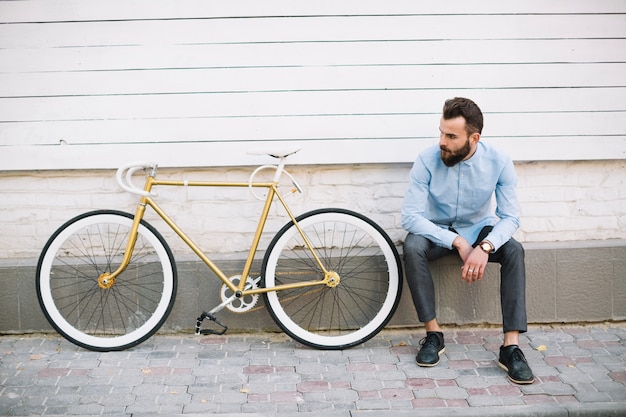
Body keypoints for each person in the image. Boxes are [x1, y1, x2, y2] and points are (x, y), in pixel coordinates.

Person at [401, 97, 534, 384]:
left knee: (514, 251)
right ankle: (433, 334)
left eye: (451, 136)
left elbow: (510, 217)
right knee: (411, 246)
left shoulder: (499, 161)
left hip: (479, 230)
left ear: (473, 138)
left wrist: (485, 246)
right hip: (437, 232)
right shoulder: (426, 159)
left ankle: (511, 347)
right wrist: (459, 243)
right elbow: (410, 217)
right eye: (440, 132)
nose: (442, 141)